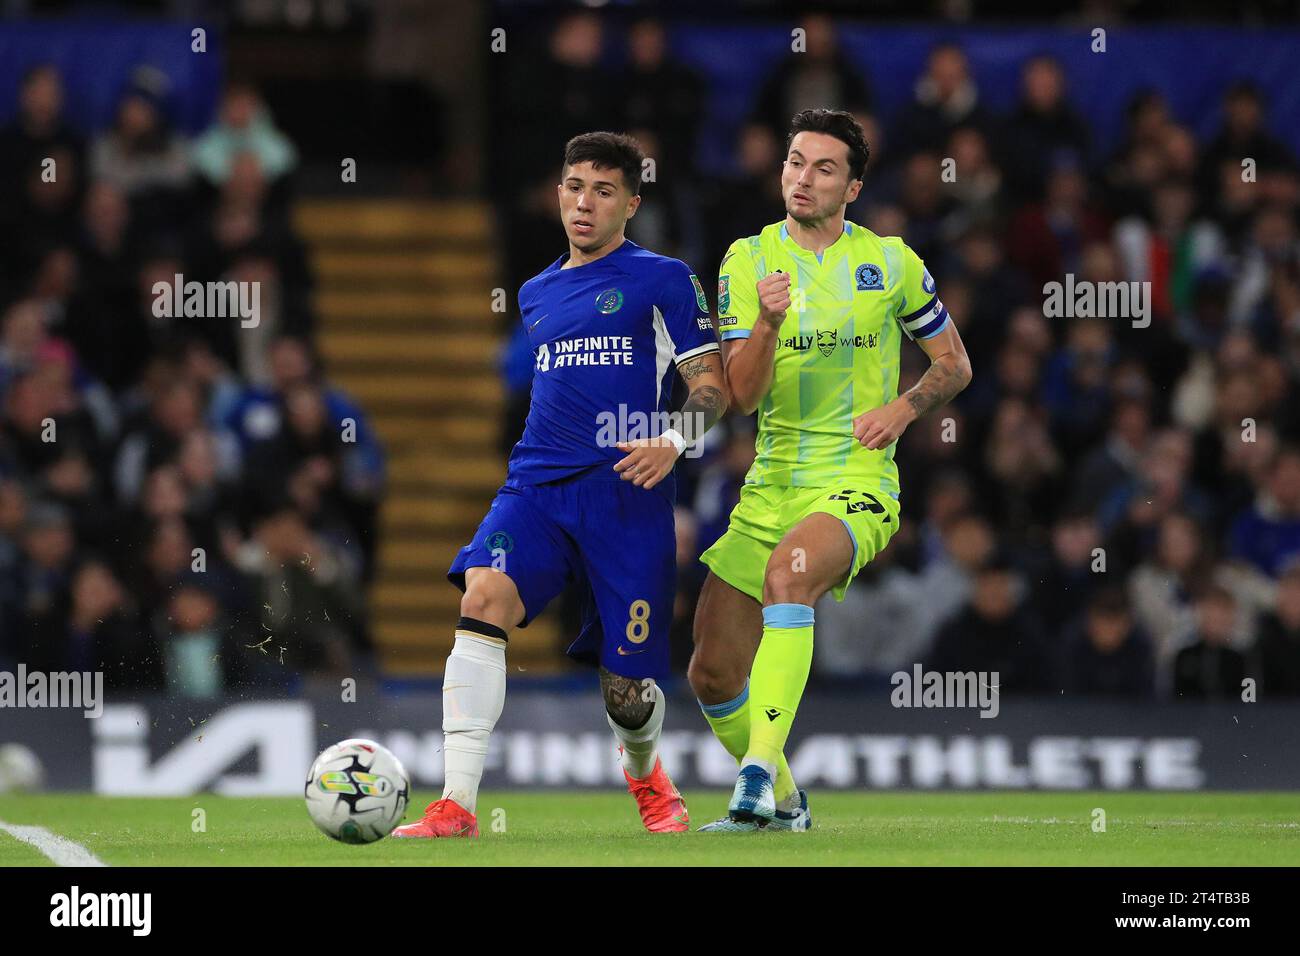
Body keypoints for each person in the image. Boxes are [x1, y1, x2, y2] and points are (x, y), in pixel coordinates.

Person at [394, 132, 728, 839]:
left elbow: (713, 390)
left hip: (628, 494)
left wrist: (672, 441)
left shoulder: (664, 278)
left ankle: (645, 775)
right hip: (537, 488)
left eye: (604, 191)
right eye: (575, 186)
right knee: (483, 593)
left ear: (631, 204)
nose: (585, 202)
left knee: (628, 693)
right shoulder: (536, 293)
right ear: (558, 193)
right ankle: (456, 804)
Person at [688, 109, 972, 830]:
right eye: (793, 161)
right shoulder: (746, 260)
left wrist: (905, 410)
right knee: (712, 671)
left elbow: (954, 364)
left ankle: (751, 777)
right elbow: (742, 396)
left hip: (856, 479)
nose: (801, 178)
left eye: (822, 168)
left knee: (791, 576)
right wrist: (767, 325)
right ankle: (787, 800)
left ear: (852, 186)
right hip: (770, 482)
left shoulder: (891, 262)